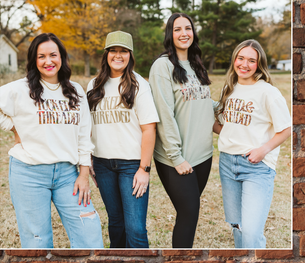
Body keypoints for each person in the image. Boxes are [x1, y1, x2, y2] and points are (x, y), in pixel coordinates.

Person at [0, 33, 103, 249]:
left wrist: (84, 174)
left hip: (67, 175)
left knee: (89, 233)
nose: (48, 61)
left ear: (62, 57)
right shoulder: (19, 89)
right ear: (34, 61)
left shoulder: (76, 91)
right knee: (38, 242)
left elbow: (84, 134)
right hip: (29, 174)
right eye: (41, 56)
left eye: (53, 55)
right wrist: (12, 127)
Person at [215, 39, 291, 248]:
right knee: (237, 226)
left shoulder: (268, 92)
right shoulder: (229, 89)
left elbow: (285, 128)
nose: (244, 65)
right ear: (234, 60)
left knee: (251, 232)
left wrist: (262, 150)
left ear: (259, 64)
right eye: (241, 58)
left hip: (257, 166)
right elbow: (226, 125)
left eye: (251, 60)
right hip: (228, 164)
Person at [148, 13, 215, 248]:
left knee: (189, 215)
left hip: (203, 155)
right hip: (176, 159)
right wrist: (176, 157)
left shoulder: (196, 64)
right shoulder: (162, 66)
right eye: (177, 29)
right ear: (170, 33)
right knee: (189, 215)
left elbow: (204, 102)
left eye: (188, 28)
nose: (184, 33)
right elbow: (164, 113)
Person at [87, 30, 159, 248]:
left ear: (130, 55)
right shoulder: (93, 85)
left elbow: (149, 129)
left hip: (131, 167)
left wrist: (144, 170)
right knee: (116, 224)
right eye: (113, 51)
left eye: (123, 51)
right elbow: (88, 126)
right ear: (106, 54)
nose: (118, 56)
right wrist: (89, 159)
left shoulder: (139, 85)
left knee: (135, 229)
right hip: (102, 164)